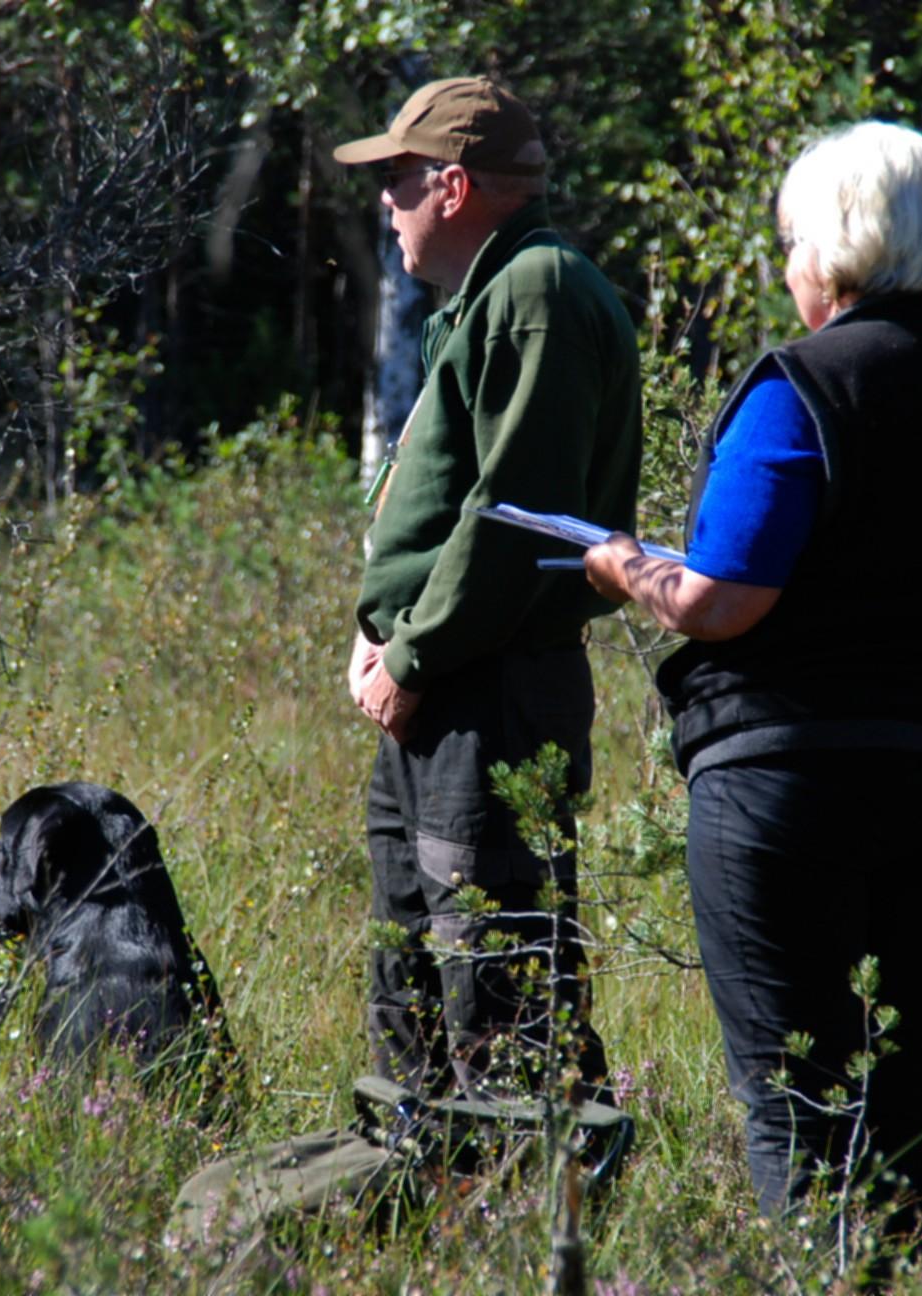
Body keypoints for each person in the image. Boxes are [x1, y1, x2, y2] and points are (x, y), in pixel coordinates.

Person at [584, 122, 922, 1251]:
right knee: (898, 1098)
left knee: (797, 1099)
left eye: (790, 242)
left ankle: (823, 1271)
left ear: (832, 249)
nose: (785, 265)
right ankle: (919, 1264)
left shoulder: (798, 388)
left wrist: (622, 565)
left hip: (787, 781)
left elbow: (719, 601)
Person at [332, 77, 643, 1100]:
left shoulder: (538, 291)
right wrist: (379, 633)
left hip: (489, 694)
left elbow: (515, 517)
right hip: (440, 689)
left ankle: (519, 1218)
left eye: (399, 177)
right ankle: (420, 1199)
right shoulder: (488, 297)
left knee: (499, 993)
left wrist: (410, 657)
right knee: (412, 975)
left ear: (454, 186)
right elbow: (435, 498)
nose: (386, 198)